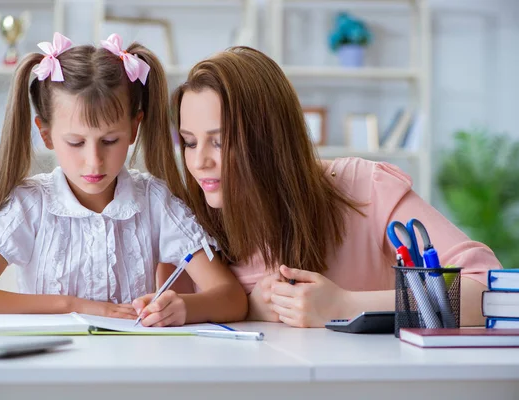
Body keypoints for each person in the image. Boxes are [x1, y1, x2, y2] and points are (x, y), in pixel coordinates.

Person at [169, 46, 501, 328]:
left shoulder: (364, 188)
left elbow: (490, 289)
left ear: (268, 138)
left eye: (219, 141)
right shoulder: (186, 221)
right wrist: (249, 309)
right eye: (189, 142)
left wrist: (345, 305)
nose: (199, 163)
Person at [0, 33, 247, 327]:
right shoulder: (29, 206)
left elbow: (231, 297)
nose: (94, 161)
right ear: (46, 134)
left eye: (110, 140)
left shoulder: (156, 202)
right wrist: (73, 305)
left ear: (134, 128)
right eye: (76, 143)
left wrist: (183, 307)